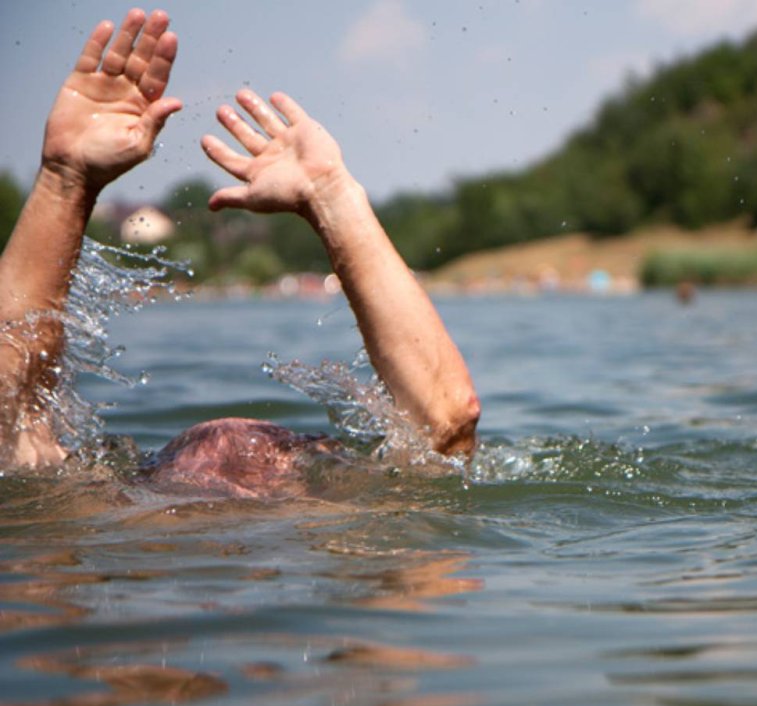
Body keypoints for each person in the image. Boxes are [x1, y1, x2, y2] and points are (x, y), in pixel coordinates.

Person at [0, 9, 479, 497]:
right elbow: (444, 426)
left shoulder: (98, 511)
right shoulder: (344, 524)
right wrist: (332, 198)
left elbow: (10, 414)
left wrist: (65, 182)